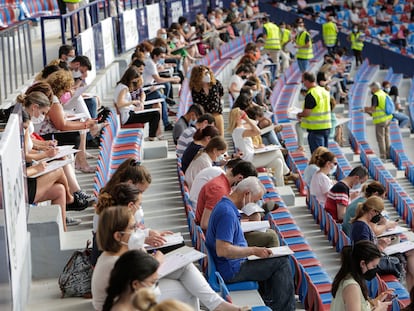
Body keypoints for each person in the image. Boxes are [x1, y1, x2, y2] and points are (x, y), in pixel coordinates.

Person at [92, 205, 245, 311]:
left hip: (134, 293)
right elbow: (146, 275)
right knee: (188, 290)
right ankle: (217, 306)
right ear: (118, 236)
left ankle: (218, 305)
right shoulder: (113, 261)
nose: (139, 231)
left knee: (185, 268)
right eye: (133, 228)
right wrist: (157, 259)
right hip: (122, 302)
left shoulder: (121, 248)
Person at [205, 177, 296, 310]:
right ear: (246, 194)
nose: (254, 205)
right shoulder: (227, 213)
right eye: (254, 201)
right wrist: (254, 250)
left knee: (274, 260)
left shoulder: (226, 206)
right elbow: (223, 250)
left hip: (233, 264)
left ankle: (272, 302)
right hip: (232, 269)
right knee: (282, 262)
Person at [350, 196, 414, 289]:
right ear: (372, 211)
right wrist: (380, 246)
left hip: (372, 258)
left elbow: (368, 245)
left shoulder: (362, 224)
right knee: (410, 254)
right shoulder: (361, 227)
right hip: (371, 264)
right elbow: (365, 253)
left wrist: (379, 242)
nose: (379, 217)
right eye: (379, 213)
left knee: (410, 253)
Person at [228, 107, 298, 187]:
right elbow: (258, 131)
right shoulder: (239, 130)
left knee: (278, 162)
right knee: (277, 152)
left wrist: (256, 147)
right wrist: (247, 119)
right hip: (249, 160)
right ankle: (288, 173)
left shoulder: (238, 130)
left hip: (251, 156)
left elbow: (245, 143)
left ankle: (280, 187)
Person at [331, 240, 392, 311]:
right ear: (362, 264)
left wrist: (378, 300)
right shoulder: (352, 287)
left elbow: (361, 306)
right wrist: (379, 309)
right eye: (373, 266)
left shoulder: (350, 276)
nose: (375, 269)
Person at [114, 66, 161, 140]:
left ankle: (153, 135)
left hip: (128, 113)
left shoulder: (120, 86)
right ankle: (152, 136)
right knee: (155, 114)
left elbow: (122, 104)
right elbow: (120, 104)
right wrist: (133, 102)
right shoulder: (124, 88)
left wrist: (135, 107)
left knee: (154, 111)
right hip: (127, 117)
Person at [297, 72, 331, 154]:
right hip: (326, 126)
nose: (303, 84)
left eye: (303, 81)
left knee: (318, 156)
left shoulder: (311, 94)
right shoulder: (323, 90)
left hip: (316, 129)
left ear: (307, 81)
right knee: (324, 154)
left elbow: (307, 113)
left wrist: (299, 114)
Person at [190, 65, 225, 136]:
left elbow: (221, 94)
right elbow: (197, 104)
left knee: (220, 137)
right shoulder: (196, 89)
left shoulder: (216, 83)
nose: (207, 75)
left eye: (208, 73)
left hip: (217, 114)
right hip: (205, 117)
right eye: (205, 73)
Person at [363, 82, 392, 160]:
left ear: (374, 88)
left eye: (371, 89)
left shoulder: (375, 96)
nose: (371, 90)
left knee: (380, 138)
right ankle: (388, 154)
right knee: (387, 137)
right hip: (388, 118)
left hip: (381, 120)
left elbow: (373, 109)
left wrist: (365, 109)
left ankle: (383, 156)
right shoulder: (383, 93)